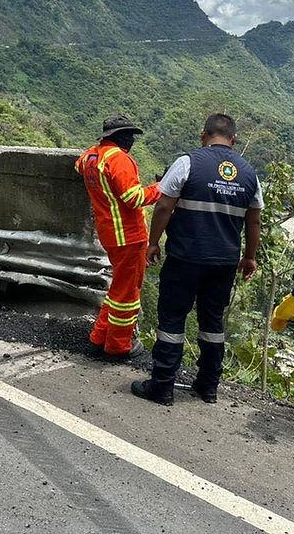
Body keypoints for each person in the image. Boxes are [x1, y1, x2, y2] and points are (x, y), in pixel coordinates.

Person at [131, 113, 262, 406]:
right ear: (234, 140)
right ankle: (208, 387)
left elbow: (164, 205)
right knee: (212, 323)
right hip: (225, 262)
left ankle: (162, 386)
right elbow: (254, 222)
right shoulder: (249, 173)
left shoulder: (188, 162)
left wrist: (153, 243)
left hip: (186, 257)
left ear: (203, 135)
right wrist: (249, 257)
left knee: (172, 319)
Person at [76, 115, 161, 359]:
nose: (132, 140)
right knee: (128, 295)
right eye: (129, 135)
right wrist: (161, 187)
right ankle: (117, 346)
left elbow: (78, 166)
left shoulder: (90, 157)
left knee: (118, 289)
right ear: (120, 137)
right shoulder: (120, 160)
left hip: (109, 233)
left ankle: (98, 337)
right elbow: (133, 198)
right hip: (129, 236)